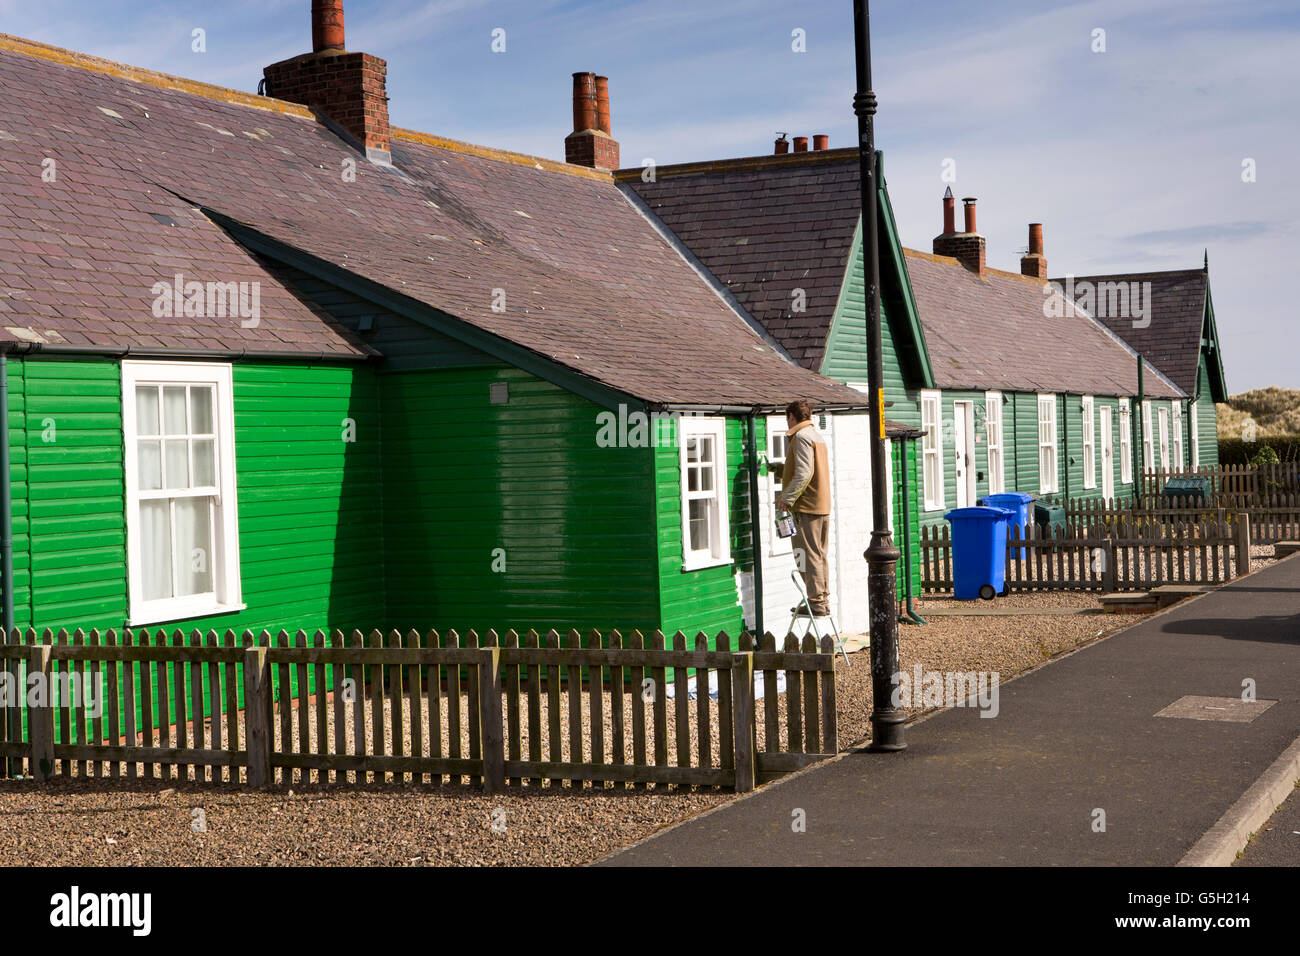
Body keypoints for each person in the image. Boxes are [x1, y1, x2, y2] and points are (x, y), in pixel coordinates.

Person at [776, 400, 831, 618]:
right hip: (821, 503)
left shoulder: (801, 437)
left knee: (808, 554)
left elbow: (804, 473)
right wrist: (777, 468)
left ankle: (816, 602)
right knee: (818, 554)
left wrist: (787, 498)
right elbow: (805, 470)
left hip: (807, 505)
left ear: (791, 416)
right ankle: (821, 599)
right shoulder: (816, 436)